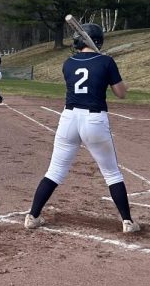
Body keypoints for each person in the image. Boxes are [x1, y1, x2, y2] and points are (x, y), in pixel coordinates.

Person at [24, 23, 138, 235]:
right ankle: (128, 222)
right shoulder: (106, 61)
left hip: (68, 119)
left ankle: (33, 215)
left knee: (55, 171)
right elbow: (121, 93)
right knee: (112, 173)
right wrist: (120, 79)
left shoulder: (68, 63)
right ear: (98, 41)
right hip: (94, 120)